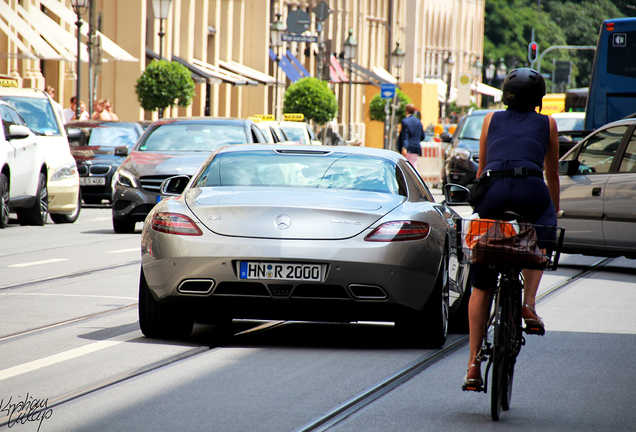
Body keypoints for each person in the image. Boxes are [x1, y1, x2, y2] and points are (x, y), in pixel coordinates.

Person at [462, 68, 560, 391]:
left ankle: (474, 364)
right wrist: (553, 209)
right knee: (543, 224)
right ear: (538, 99)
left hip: (492, 189)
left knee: (482, 280)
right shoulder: (548, 124)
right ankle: (528, 302)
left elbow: (481, 168)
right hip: (531, 188)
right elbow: (552, 174)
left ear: (505, 94)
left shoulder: (490, 120)